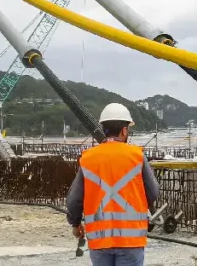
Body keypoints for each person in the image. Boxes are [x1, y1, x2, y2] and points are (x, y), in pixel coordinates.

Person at [66, 103, 159, 265]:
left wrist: (76, 223)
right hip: (131, 240)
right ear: (124, 130)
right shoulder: (137, 156)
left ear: (104, 129)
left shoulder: (88, 158)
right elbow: (153, 192)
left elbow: (74, 199)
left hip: (99, 239)